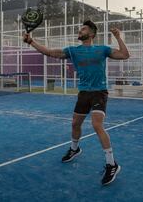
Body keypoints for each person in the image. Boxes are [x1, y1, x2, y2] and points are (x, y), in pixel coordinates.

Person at [23, 20, 130, 185]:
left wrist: (118, 37)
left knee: (96, 125)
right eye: (80, 29)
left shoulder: (102, 49)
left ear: (92, 34)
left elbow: (124, 55)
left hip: (98, 92)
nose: (80, 31)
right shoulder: (73, 51)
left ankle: (111, 164)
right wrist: (31, 41)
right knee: (75, 124)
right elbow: (50, 52)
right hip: (83, 93)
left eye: (84, 29)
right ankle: (75, 149)